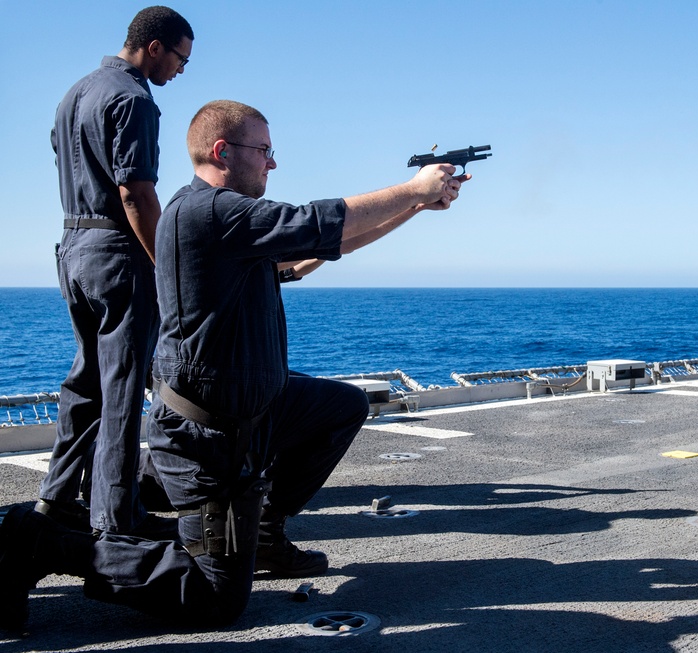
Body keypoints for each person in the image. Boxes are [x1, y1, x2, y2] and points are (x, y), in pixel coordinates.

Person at [0, 99, 467, 634]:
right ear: (222, 151)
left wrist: (411, 208)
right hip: (209, 438)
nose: (272, 163)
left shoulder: (221, 219)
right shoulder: (210, 211)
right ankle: (46, 540)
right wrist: (413, 188)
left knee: (340, 405)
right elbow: (316, 221)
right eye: (264, 151)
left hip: (250, 410)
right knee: (216, 600)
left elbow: (319, 245)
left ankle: (263, 531)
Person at [40, 6, 194, 536]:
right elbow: (136, 192)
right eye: (179, 58)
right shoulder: (133, 99)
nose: (179, 70)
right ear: (154, 47)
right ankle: (116, 518)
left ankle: (56, 501)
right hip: (117, 253)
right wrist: (165, 267)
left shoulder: (74, 93)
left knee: (85, 381)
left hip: (72, 249)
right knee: (124, 387)